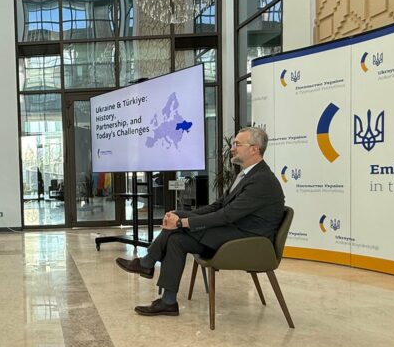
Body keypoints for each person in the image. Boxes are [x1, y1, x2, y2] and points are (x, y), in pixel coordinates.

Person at [115, 127, 285, 316]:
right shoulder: (246, 175)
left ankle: (147, 263)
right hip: (233, 232)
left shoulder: (262, 180)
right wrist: (181, 216)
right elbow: (217, 206)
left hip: (247, 241)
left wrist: (181, 223)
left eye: (237, 144)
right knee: (176, 239)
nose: (232, 148)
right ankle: (168, 301)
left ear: (254, 149)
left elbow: (226, 215)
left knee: (177, 228)